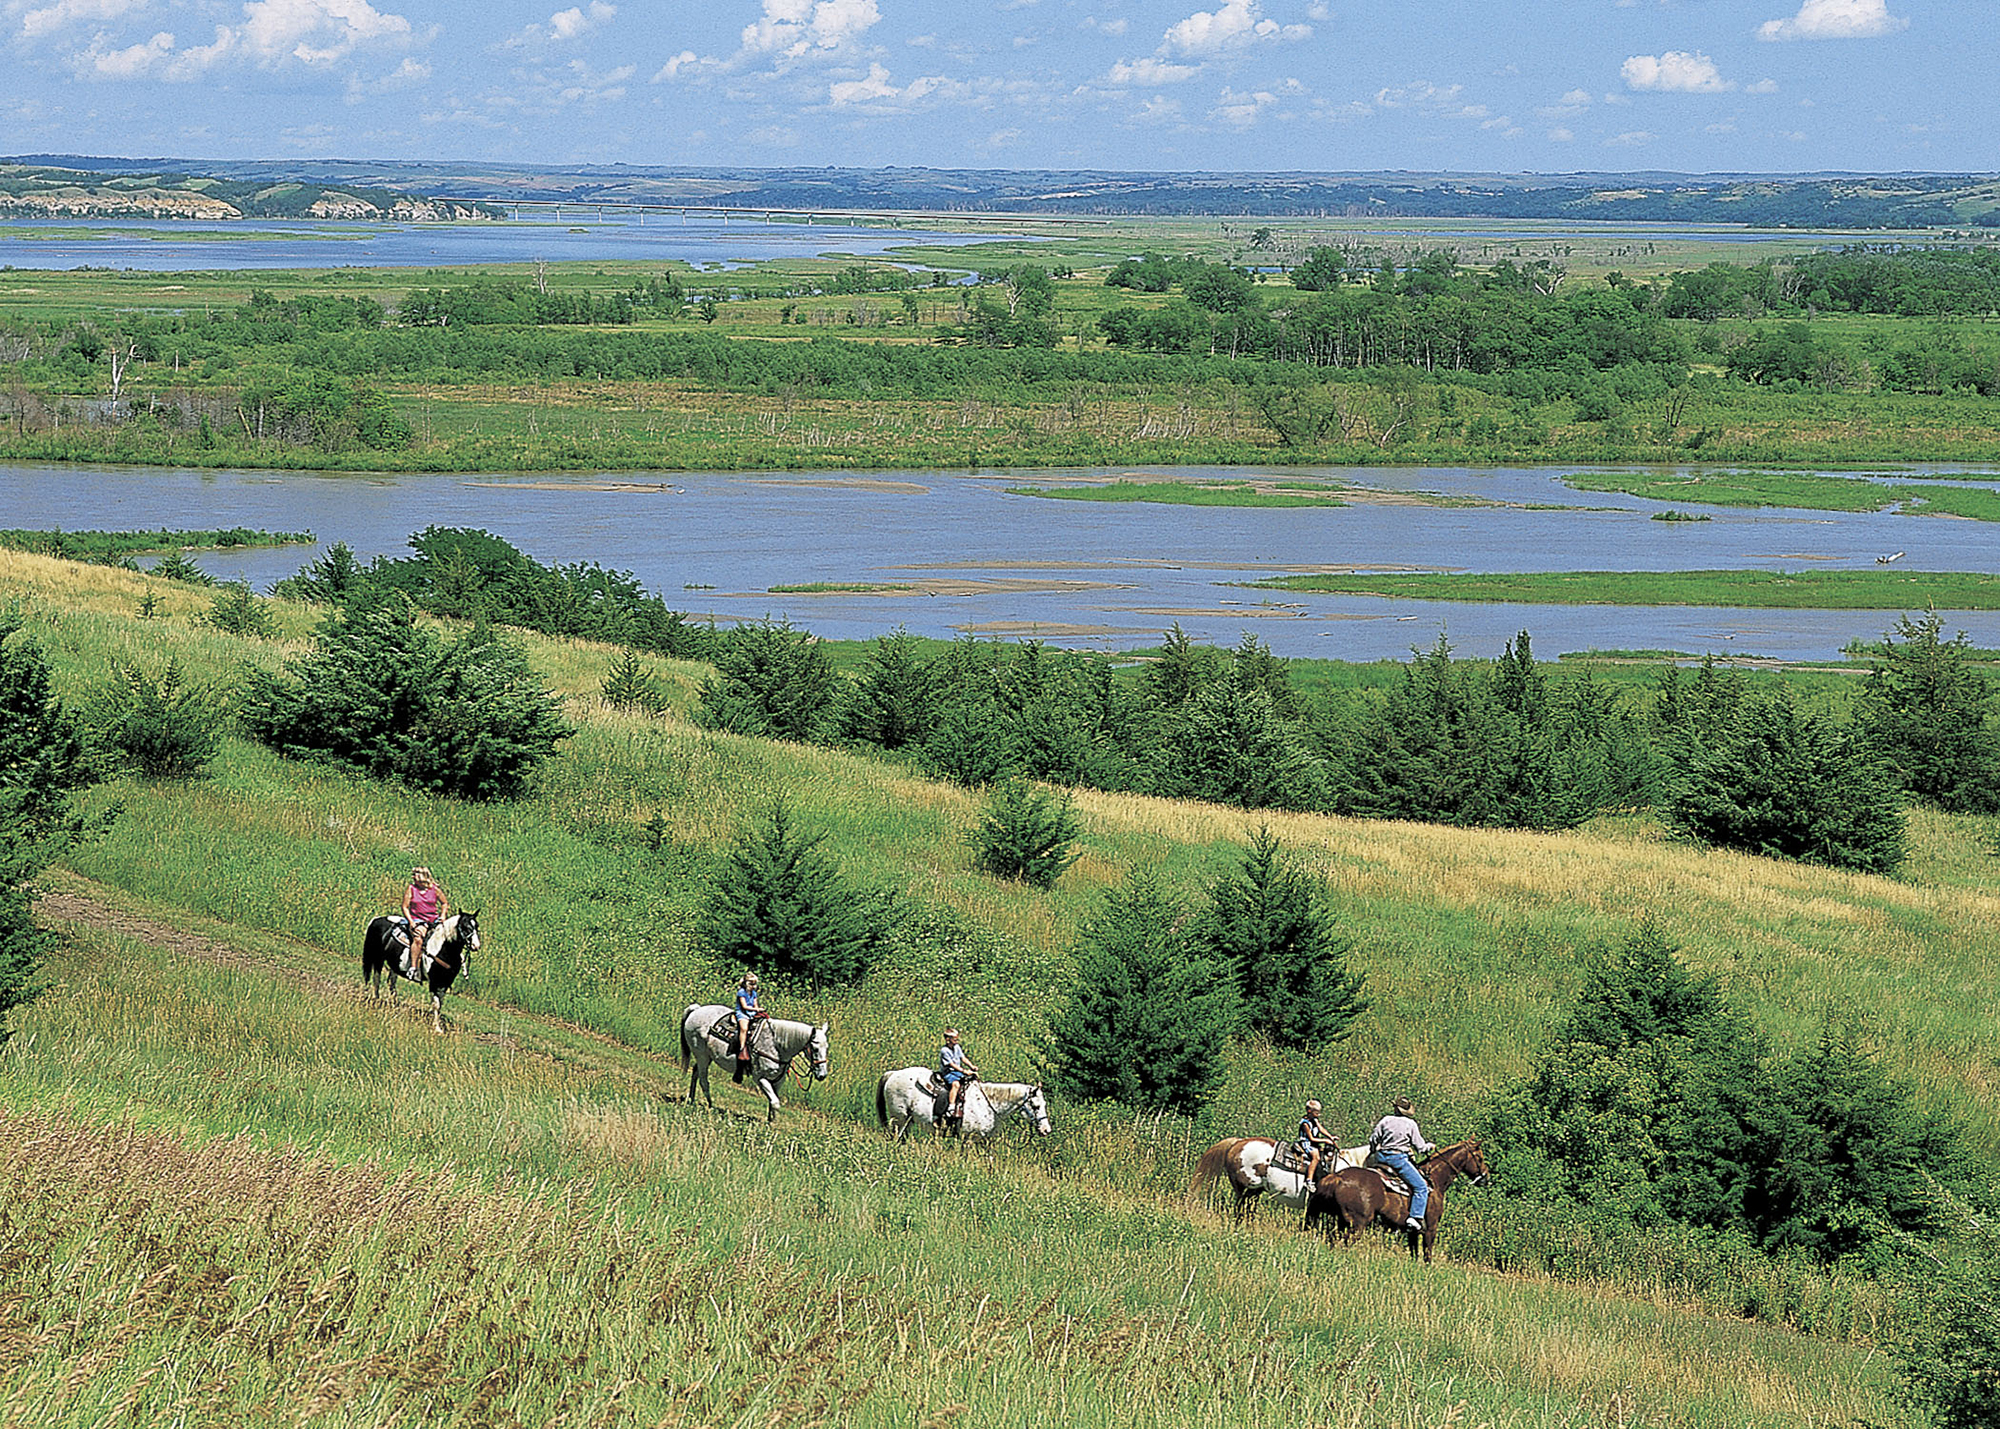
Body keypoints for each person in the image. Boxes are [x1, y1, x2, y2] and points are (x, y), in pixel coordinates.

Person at [1370, 1096, 1436, 1231]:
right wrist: (1430, 1146)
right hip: (1398, 1159)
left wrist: (1373, 1150)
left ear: (1395, 1108)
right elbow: (1420, 1147)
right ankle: (1415, 1217)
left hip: (1381, 1158)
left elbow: (1373, 1138)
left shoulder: (1385, 1120)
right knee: (1421, 1187)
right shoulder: (1410, 1124)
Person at [401, 866, 447, 982]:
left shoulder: (435, 889)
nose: (413, 877)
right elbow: (405, 907)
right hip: (417, 919)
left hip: (433, 919)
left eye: (415, 874)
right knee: (418, 939)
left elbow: (444, 903)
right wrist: (411, 922)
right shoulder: (411, 889)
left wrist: (442, 916)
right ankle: (413, 967)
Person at [938, 1028, 980, 1123]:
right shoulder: (944, 1051)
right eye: (955, 1039)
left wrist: (971, 1066)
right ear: (948, 1039)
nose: (956, 1041)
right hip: (949, 1073)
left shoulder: (957, 1047)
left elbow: (963, 1058)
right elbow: (951, 1064)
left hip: (958, 1072)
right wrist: (964, 1071)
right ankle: (951, 1106)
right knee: (956, 1084)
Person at [1296, 1098, 1338, 1186]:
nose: (1318, 1115)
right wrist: (1325, 1140)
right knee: (1316, 1157)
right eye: (1316, 1112)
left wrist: (1330, 1137)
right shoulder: (1305, 1124)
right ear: (1309, 1111)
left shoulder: (1315, 1120)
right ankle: (1309, 1180)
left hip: (1313, 1142)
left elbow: (1321, 1128)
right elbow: (1311, 1138)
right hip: (1307, 1142)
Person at [732, 972, 761, 1084]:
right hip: (742, 1013)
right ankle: (742, 1047)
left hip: (752, 1013)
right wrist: (755, 1010)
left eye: (755, 983)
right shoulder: (741, 992)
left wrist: (758, 1010)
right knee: (744, 1028)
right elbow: (744, 1006)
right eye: (751, 983)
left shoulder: (754, 993)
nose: (753, 986)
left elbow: (755, 1005)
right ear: (745, 983)